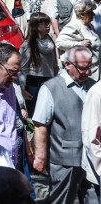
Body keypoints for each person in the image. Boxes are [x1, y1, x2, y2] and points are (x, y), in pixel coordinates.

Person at [32, 46, 97, 203]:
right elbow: (40, 125)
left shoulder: (93, 85)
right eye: (82, 68)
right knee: (61, 199)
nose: (87, 72)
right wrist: (40, 157)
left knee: (93, 198)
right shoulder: (50, 88)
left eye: (89, 67)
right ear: (68, 64)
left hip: (92, 156)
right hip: (64, 159)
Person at [20, 12, 59, 116]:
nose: (48, 26)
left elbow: (54, 65)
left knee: (49, 113)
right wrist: (22, 89)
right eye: (44, 23)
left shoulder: (51, 42)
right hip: (33, 83)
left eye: (48, 23)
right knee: (35, 114)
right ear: (36, 26)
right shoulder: (27, 45)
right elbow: (22, 68)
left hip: (50, 81)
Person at [56, 0, 101, 81]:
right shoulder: (74, 25)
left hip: (95, 71)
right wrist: (79, 44)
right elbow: (59, 43)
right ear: (83, 14)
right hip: (83, 74)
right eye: (90, 12)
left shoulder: (89, 26)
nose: (93, 14)